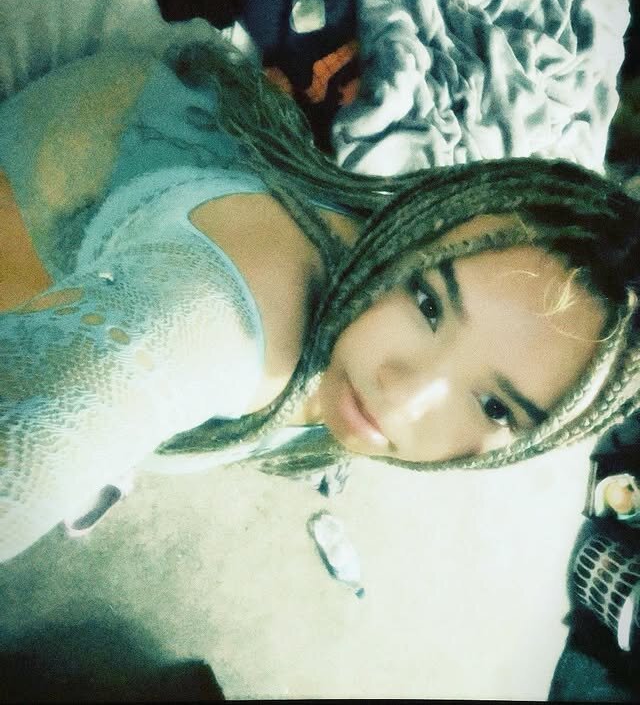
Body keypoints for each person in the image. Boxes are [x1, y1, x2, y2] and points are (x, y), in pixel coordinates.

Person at [0, 34, 639, 564]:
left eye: (496, 406)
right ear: (424, 217)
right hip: (64, 181)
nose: (403, 398)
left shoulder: (367, 313)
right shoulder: (225, 326)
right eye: (428, 303)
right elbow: (51, 433)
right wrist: (88, 427)